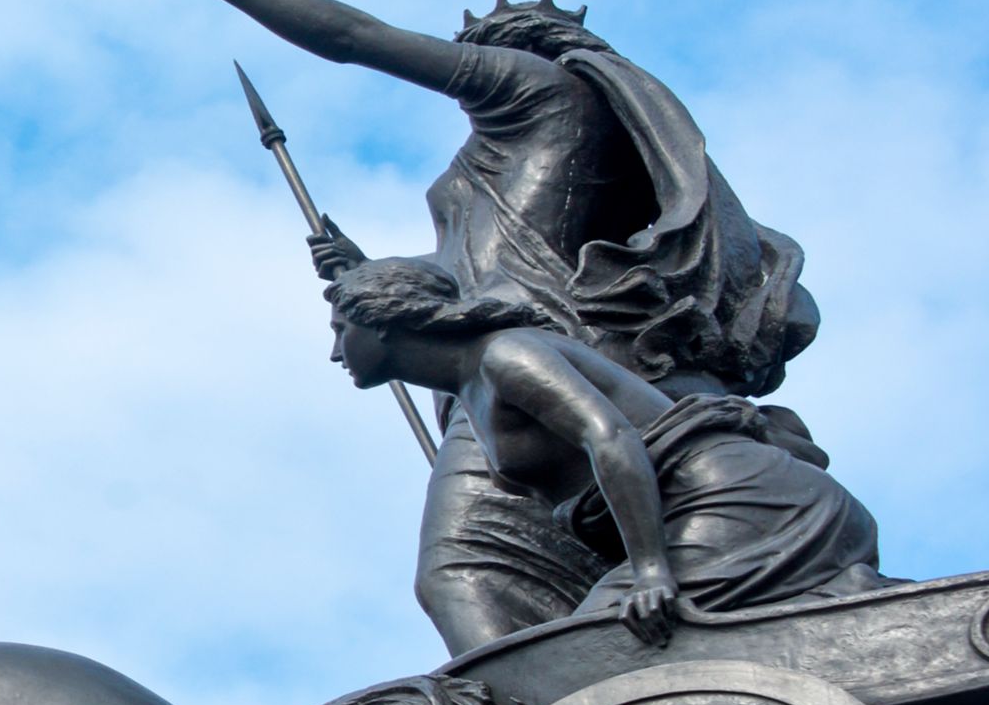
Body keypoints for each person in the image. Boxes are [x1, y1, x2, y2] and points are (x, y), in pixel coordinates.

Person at [135, 0, 822, 653]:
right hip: (489, 368)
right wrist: (372, 275)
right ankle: (566, 694)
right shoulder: (496, 153)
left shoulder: (542, 93)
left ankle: (548, 701)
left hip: (536, 354)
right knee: (479, 572)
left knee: (465, 569)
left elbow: (353, 37)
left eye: (480, 51)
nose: (466, 64)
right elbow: (481, 263)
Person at [324, 258, 887, 643]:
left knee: (592, 646)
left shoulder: (507, 356)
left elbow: (610, 438)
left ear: (385, 321)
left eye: (341, 328)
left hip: (744, 503)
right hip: (700, 511)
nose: (334, 351)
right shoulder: (468, 391)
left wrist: (651, 570)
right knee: (581, 647)